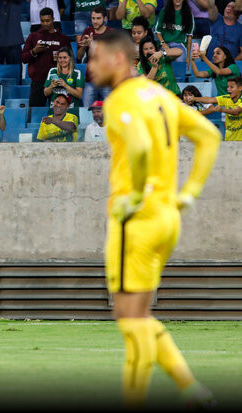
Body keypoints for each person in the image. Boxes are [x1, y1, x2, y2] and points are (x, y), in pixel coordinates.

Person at [88, 29, 220, 410]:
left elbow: (141, 146)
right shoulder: (161, 95)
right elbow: (209, 135)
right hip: (167, 217)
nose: (90, 65)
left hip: (138, 220)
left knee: (129, 320)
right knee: (140, 317)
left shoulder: (120, 100)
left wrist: (134, 195)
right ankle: (191, 390)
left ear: (117, 60)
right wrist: (189, 193)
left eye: (96, 58)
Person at [22, 7, 71, 108]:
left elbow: (70, 59)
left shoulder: (62, 38)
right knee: (35, 112)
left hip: (58, 81)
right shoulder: (33, 37)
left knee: (59, 113)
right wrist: (34, 51)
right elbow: (23, 58)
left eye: (48, 21)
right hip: (38, 81)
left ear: (53, 19)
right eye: (42, 21)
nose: (45, 23)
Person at [77, 6, 112, 107]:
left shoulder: (111, 33)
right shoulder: (87, 32)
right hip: (90, 80)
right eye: (93, 18)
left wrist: (92, 45)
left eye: (98, 18)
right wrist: (84, 47)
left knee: (110, 110)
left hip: (107, 80)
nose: (95, 21)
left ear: (105, 19)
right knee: (86, 110)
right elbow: (79, 57)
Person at [189, 76, 242, 140]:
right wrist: (194, 98)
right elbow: (210, 100)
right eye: (228, 87)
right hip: (229, 138)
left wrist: (222, 110)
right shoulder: (226, 98)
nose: (228, 89)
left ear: (240, 88)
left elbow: (236, 111)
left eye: (231, 87)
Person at [43, 46, 84, 113]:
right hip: (54, 111)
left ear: (70, 58)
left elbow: (79, 95)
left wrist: (65, 85)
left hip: (71, 111)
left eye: (65, 57)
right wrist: (51, 86)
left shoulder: (77, 73)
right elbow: (46, 93)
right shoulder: (53, 71)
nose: (62, 60)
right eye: (60, 58)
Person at [154, 0, 195, 65]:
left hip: (180, 46)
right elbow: (157, 31)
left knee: (179, 64)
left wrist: (188, 56)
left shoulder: (189, 14)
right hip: (165, 45)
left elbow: (189, 37)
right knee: (162, 66)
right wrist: (163, 43)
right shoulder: (164, 11)